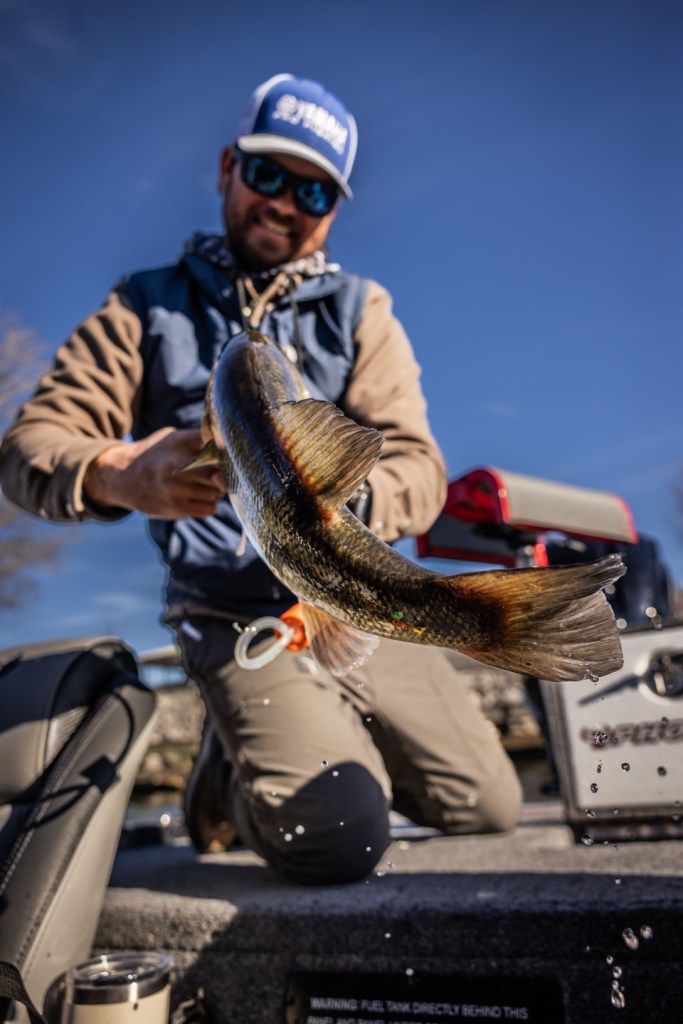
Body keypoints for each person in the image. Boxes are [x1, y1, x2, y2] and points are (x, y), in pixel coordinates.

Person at [0, 73, 522, 885]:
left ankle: (279, 734)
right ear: (226, 168)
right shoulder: (143, 306)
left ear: (334, 209)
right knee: (339, 837)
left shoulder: (362, 309)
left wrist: (340, 495)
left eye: (312, 191)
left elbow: (420, 471)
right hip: (234, 614)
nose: (283, 204)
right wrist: (119, 471)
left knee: (488, 806)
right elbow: (29, 448)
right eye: (268, 174)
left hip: (355, 597)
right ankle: (234, 775)